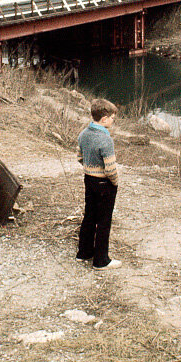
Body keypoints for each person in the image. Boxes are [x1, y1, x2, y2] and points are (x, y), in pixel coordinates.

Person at [76, 98, 121, 270]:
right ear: (104, 119)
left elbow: (80, 157)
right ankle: (101, 260)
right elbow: (110, 168)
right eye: (111, 118)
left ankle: (84, 252)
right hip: (104, 184)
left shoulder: (83, 134)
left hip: (89, 179)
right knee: (104, 221)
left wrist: (89, 169)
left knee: (89, 216)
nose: (112, 120)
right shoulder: (105, 140)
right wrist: (115, 182)